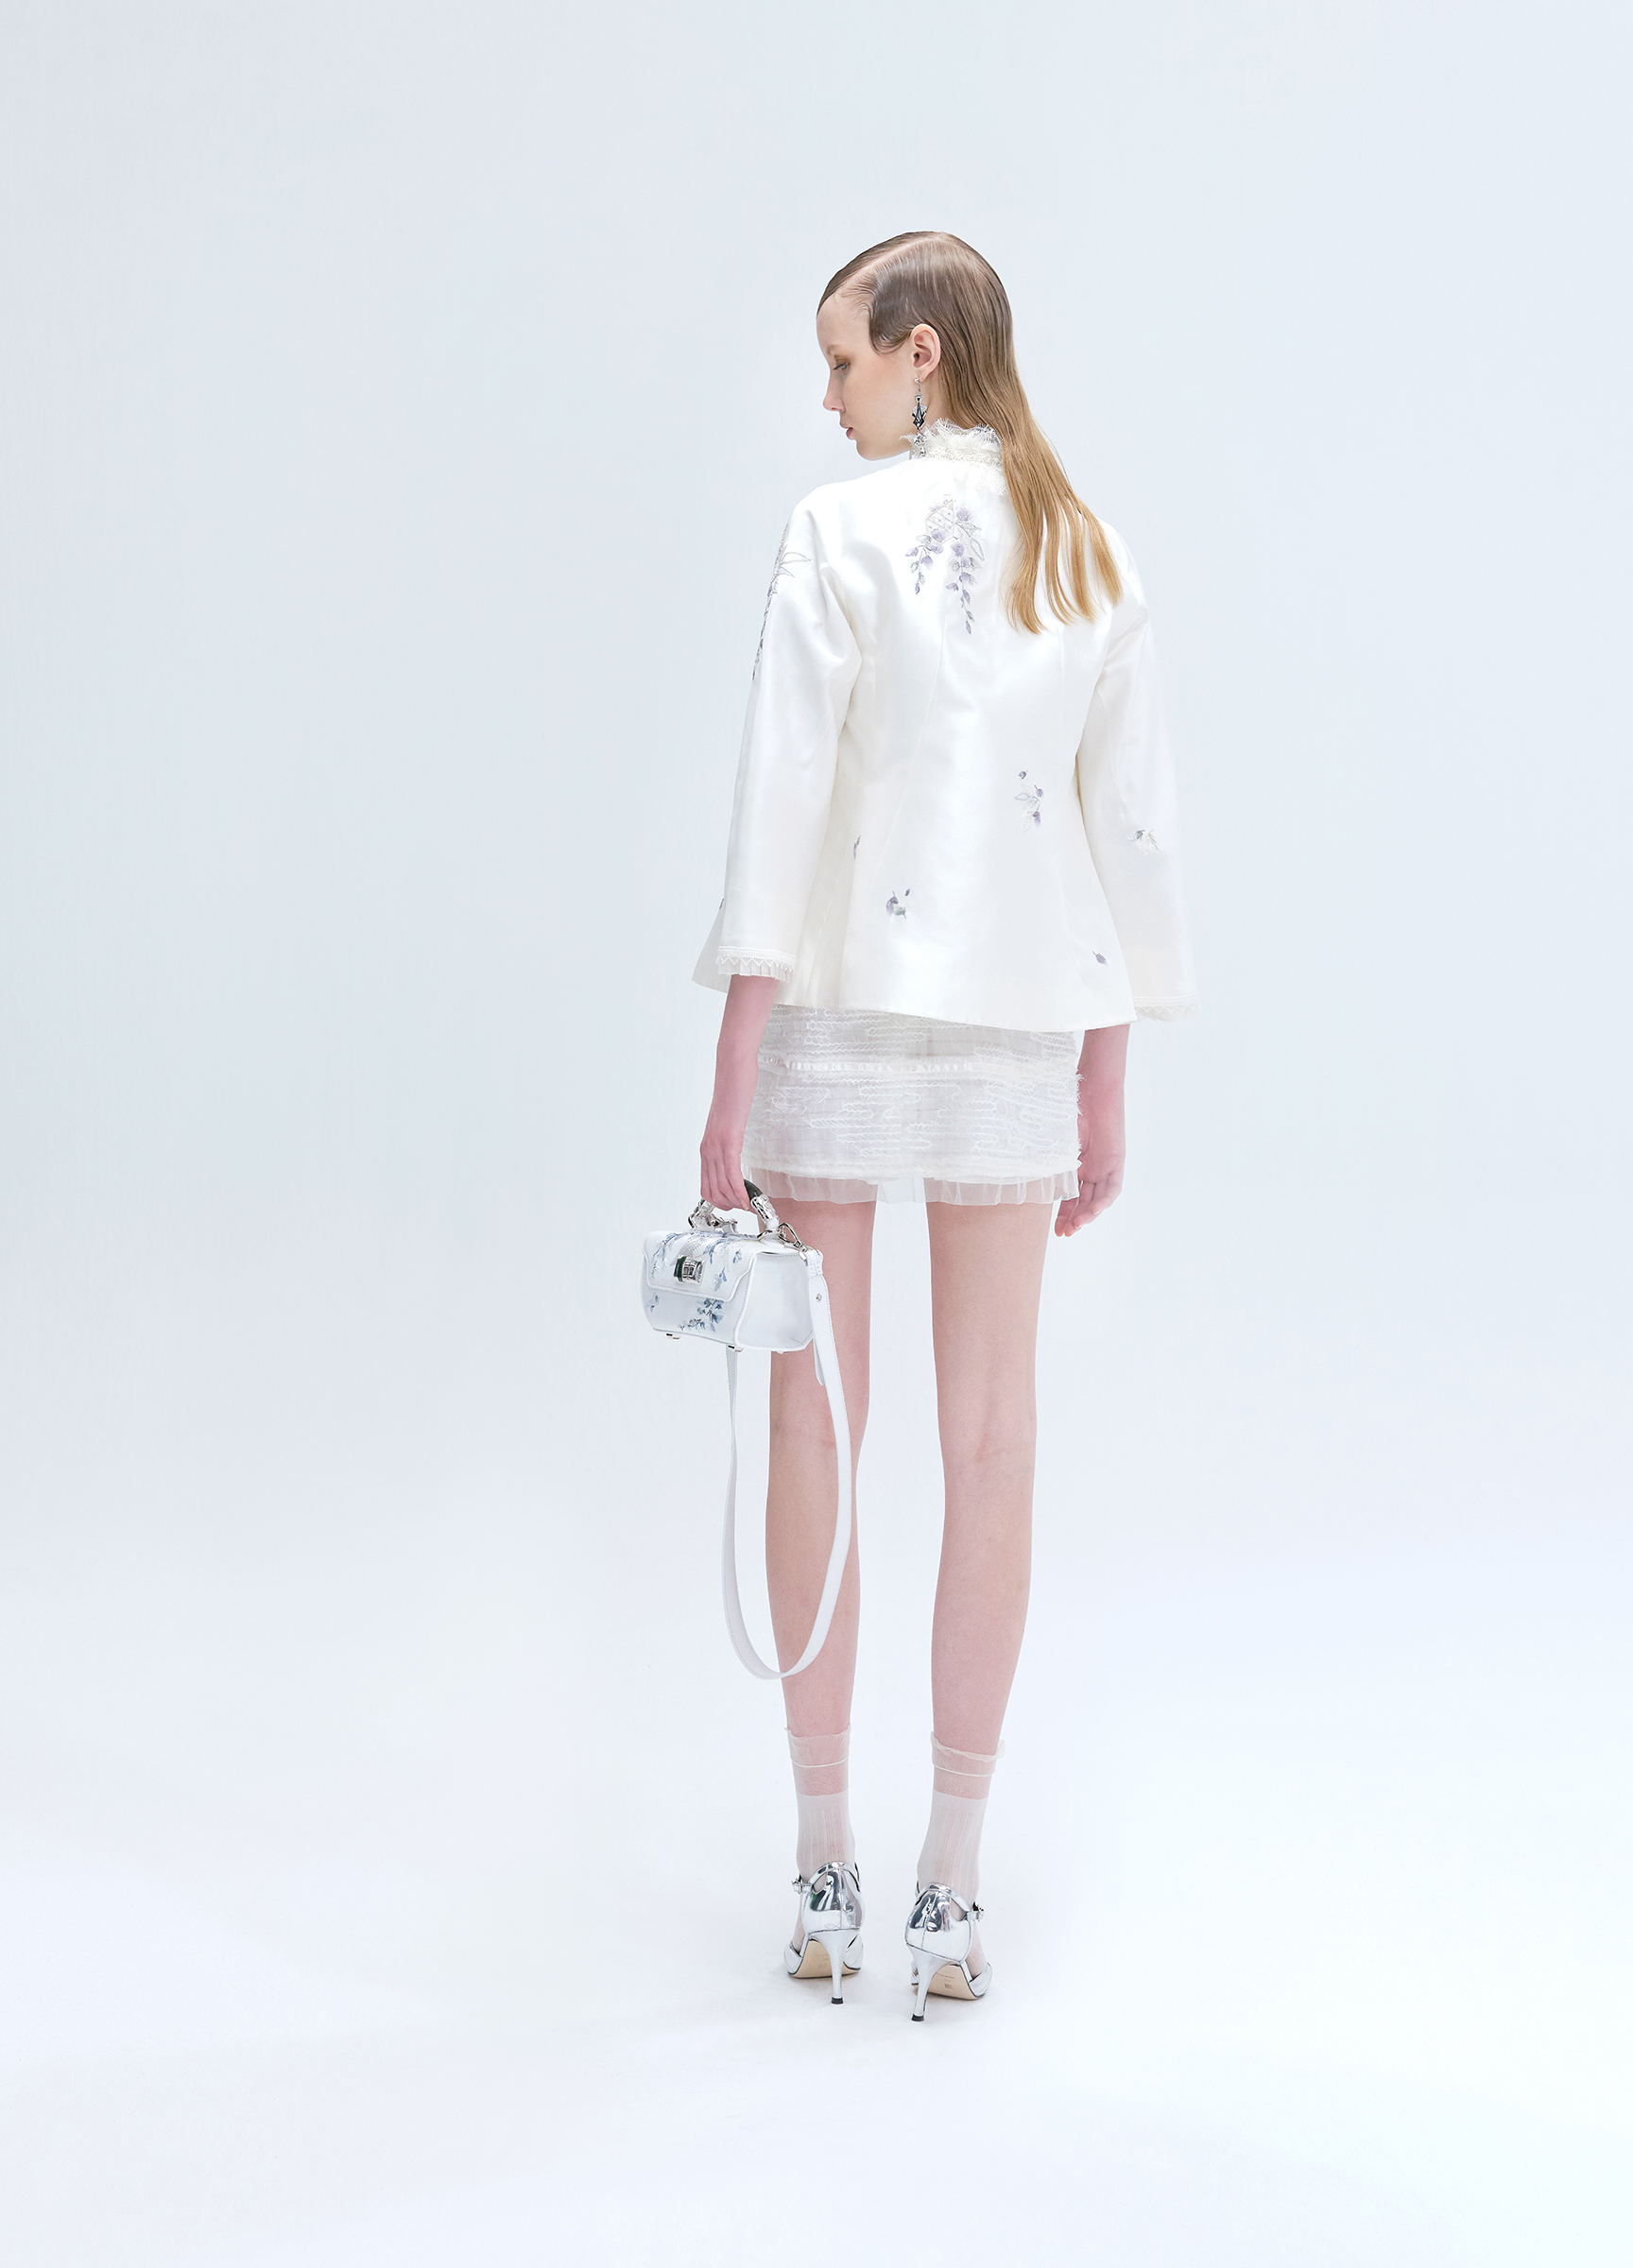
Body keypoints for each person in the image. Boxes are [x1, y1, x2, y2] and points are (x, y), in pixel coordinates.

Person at [695, 231, 1195, 2019]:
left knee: (814, 1422)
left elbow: (781, 801)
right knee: (994, 1442)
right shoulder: (1090, 544)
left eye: (842, 360)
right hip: (1018, 1024)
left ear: (919, 353)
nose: (826, 395)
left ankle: (825, 1860)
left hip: (838, 1008)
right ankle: (951, 1888)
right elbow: (1128, 830)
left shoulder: (836, 534)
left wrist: (731, 1069)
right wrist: (1108, 1071)